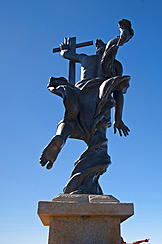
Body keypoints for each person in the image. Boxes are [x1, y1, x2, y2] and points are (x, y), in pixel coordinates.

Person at [39, 19, 133, 195]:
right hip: (100, 97)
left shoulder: (86, 58)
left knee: (70, 120)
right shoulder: (115, 66)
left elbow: (65, 55)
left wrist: (65, 50)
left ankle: (61, 136)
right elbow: (118, 91)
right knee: (98, 146)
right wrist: (118, 118)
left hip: (80, 93)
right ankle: (86, 183)